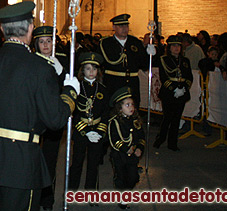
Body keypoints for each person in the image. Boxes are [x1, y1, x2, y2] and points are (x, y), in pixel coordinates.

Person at [0, 1, 80, 211]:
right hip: (20, 162)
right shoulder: (40, 68)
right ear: (30, 29)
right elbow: (54, 119)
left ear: (1, 30)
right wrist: (70, 93)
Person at [32, 25, 66, 211]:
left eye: (49, 41)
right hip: (36, 116)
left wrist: (61, 72)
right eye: (42, 42)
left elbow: (69, 88)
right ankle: (34, 195)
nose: (46, 45)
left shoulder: (62, 61)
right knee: (34, 158)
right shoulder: (31, 62)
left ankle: (48, 198)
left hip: (53, 116)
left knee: (51, 159)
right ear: (36, 44)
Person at [69, 52, 109, 195]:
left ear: (98, 71)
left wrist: (100, 131)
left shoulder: (103, 90)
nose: (91, 72)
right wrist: (85, 131)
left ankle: (91, 192)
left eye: (94, 69)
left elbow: (106, 113)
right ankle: (72, 191)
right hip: (81, 130)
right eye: (87, 68)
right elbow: (73, 113)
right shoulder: (76, 88)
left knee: (93, 163)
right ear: (82, 70)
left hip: (97, 131)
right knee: (77, 162)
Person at [99, 14, 151, 107]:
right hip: (114, 83)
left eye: (126, 26)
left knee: (133, 110)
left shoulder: (135, 42)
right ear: (114, 27)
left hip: (132, 83)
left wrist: (148, 51)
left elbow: (144, 65)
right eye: (121, 26)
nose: (124, 28)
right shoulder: (106, 43)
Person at [107, 87, 145, 209]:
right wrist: (125, 148)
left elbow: (141, 137)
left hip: (132, 155)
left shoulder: (135, 121)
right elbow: (114, 140)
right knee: (121, 177)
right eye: (127, 105)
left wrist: (139, 148)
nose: (131, 107)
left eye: (132, 104)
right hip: (119, 155)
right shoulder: (115, 122)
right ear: (119, 107)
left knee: (133, 177)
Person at [153, 35, 193, 151]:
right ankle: (161, 138)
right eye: (174, 46)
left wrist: (184, 88)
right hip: (169, 93)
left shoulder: (185, 61)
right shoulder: (163, 59)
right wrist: (174, 89)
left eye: (178, 46)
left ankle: (173, 143)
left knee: (177, 118)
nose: (176, 48)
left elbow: (189, 77)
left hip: (182, 92)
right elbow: (163, 77)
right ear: (169, 47)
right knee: (168, 117)